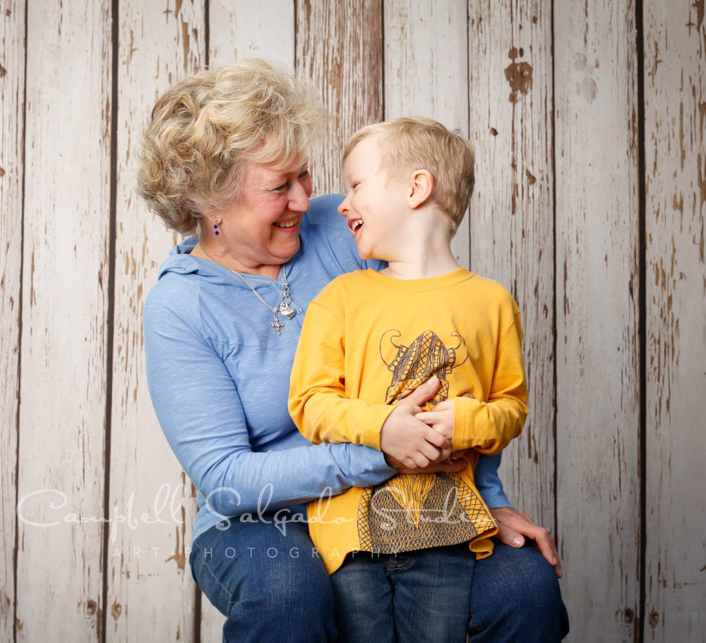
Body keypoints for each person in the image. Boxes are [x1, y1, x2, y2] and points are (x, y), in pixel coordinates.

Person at [139, 59, 568, 642]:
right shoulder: (179, 307)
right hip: (268, 516)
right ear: (209, 203)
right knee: (287, 593)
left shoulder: (343, 227)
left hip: (413, 493)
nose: (306, 199)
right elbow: (228, 478)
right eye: (278, 186)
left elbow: (458, 362)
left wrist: (482, 500)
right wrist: (381, 456)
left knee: (525, 585)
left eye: (305, 175)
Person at [288, 116, 528, 641]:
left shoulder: (491, 303)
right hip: (351, 537)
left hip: (445, 534)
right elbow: (308, 402)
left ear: (417, 188)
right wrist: (382, 428)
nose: (342, 204)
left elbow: (512, 407)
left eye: (355, 185)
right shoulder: (341, 299)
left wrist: (464, 421)